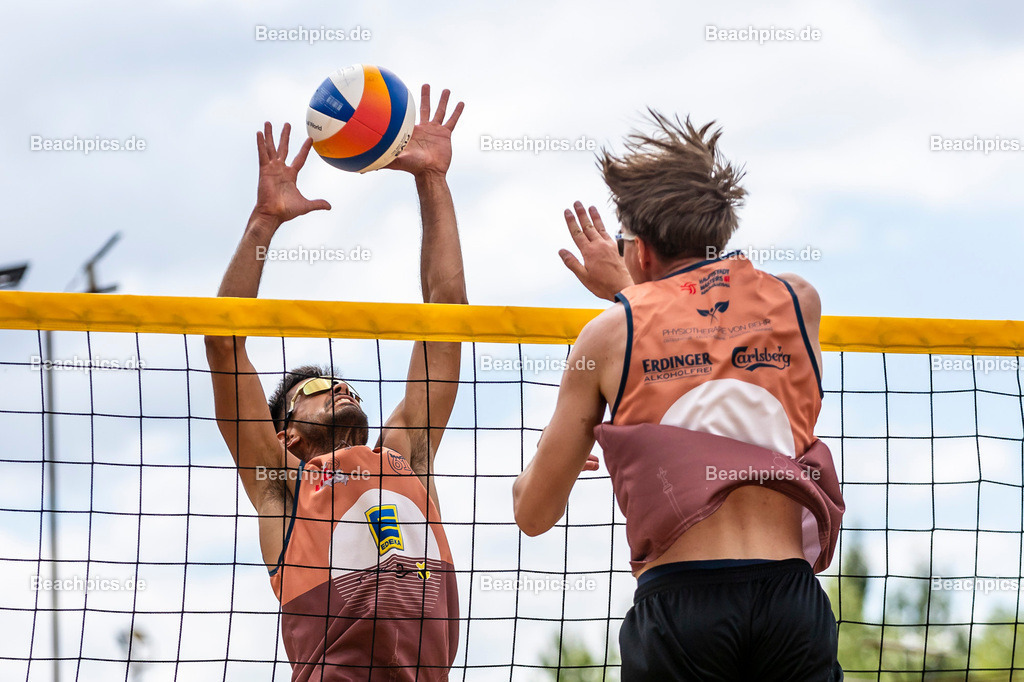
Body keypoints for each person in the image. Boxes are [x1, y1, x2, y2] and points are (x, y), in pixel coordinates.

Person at [512, 112, 845, 681]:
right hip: (790, 600)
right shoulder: (799, 299)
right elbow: (710, 325)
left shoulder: (610, 333)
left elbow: (533, 513)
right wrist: (632, 288)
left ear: (640, 250)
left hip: (682, 607)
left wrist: (625, 295)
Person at [205, 85, 466, 681]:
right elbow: (224, 343)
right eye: (317, 387)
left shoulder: (403, 457)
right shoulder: (282, 486)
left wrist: (432, 180)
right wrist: (264, 221)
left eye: (343, 384)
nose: (340, 389)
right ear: (286, 434)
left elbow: (447, 315)